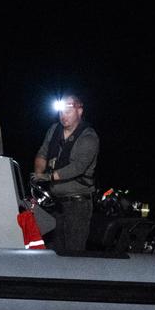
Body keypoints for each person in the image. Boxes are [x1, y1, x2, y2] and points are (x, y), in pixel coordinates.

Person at [32, 93, 99, 253]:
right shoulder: (54, 129)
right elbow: (43, 152)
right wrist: (37, 175)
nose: (63, 116)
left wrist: (48, 176)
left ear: (79, 111)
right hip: (56, 203)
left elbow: (78, 167)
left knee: (73, 253)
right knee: (54, 250)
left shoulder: (89, 137)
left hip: (78, 205)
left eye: (68, 111)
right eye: (61, 112)